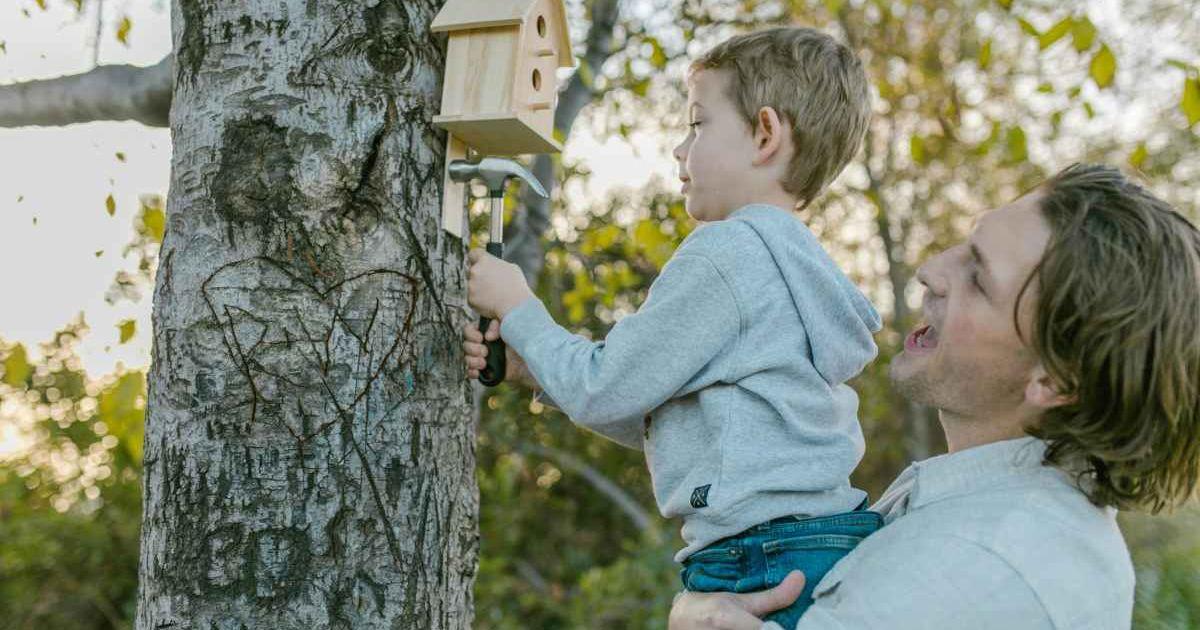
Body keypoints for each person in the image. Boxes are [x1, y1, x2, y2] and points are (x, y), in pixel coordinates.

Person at [464, 26, 882, 626]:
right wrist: (536, 368)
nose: (679, 150)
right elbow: (678, 417)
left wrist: (518, 305)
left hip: (756, 554)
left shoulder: (728, 252)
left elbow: (606, 385)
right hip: (817, 544)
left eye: (697, 124)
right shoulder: (794, 267)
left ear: (765, 134)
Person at [667, 163, 1200, 629]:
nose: (932, 270)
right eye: (967, 246)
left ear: (1057, 382)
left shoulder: (970, 563)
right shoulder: (977, 515)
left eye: (979, 279)